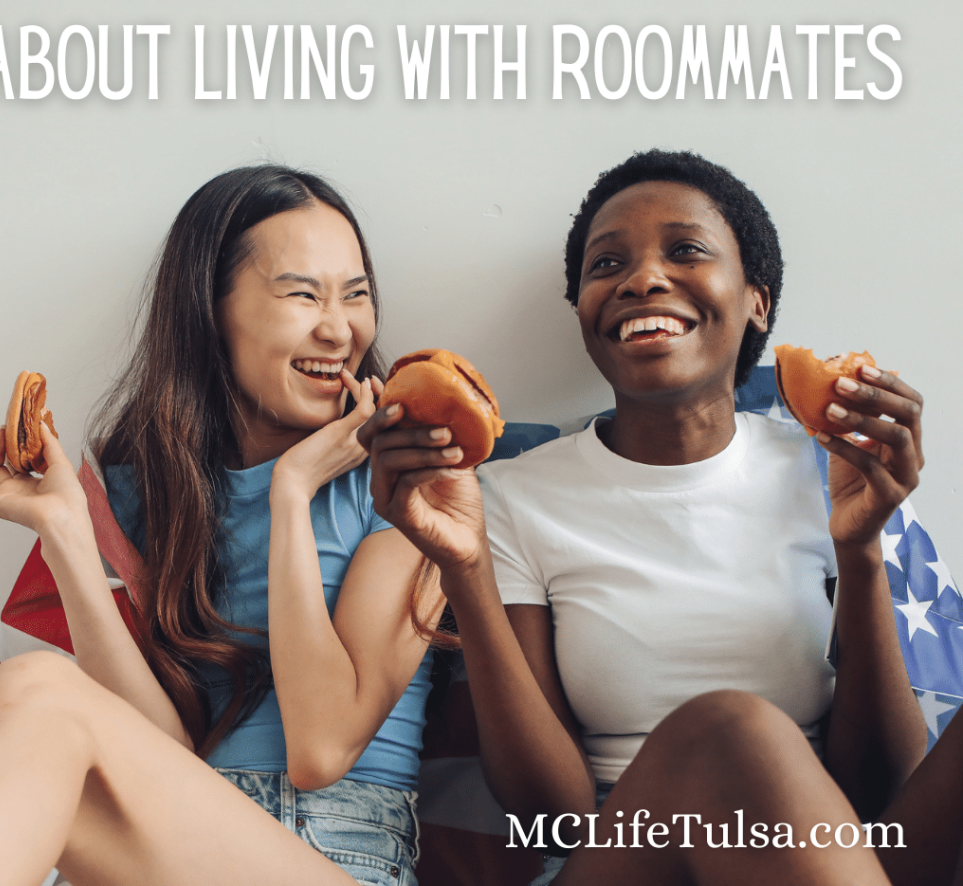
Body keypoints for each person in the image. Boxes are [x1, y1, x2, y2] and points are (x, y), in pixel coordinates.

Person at [361, 150, 963, 885]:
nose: (641, 278)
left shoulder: (830, 467)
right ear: (584, 313)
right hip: (627, 857)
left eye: (685, 250)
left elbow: (880, 792)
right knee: (733, 730)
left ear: (756, 301)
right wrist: (465, 571)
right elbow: (549, 815)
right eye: (605, 264)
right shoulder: (512, 497)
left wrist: (862, 548)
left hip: (832, 854)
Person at [0, 165, 443, 886]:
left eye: (355, 295)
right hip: (184, 845)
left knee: (35, 693)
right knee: (35, 688)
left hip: (342, 855)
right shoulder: (151, 497)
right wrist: (69, 536)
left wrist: (293, 493)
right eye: (303, 294)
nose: (339, 329)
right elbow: (162, 752)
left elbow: (320, 748)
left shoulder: (410, 483)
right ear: (212, 310)